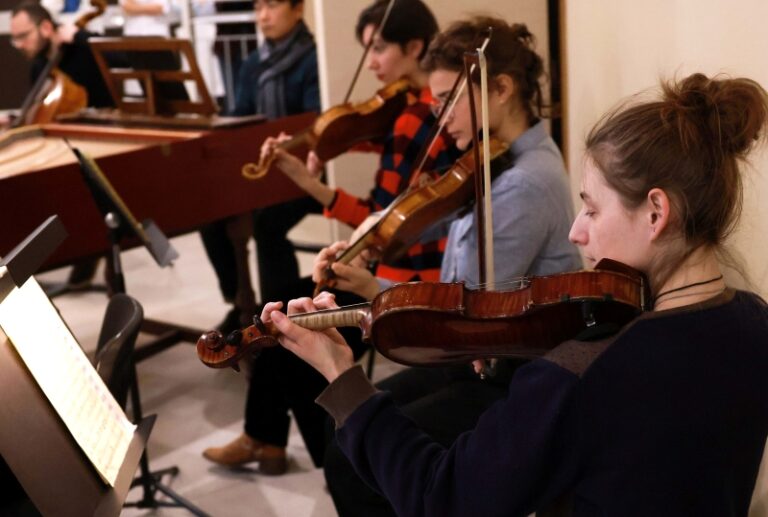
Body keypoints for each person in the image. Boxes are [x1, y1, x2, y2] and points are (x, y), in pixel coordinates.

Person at [264, 72, 768, 516]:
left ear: (656, 213)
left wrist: (341, 374)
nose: (576, 232)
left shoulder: (586, 371)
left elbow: (440, 496)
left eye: (591, 210)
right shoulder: (755, 322)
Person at [312, 18, 582, 516]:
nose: (439, 116)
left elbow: (465, 323)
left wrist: (375, 287)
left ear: (500, 88)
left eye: (448, 100)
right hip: (478, 363)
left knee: (352, 458)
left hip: (512, 377)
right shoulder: (491, 158)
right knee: (348, 437)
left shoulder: (524, 183)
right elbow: (429, 211)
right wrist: (364, 239)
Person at [201, 0, 459, 475]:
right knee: (283, 315)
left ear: (416, 47)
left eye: (379, 49)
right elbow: (379, 218)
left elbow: (378, 227)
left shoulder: (415, 121)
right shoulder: (420, 115)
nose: (374, 64)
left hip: (396, 279)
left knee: (283, 326)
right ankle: (272, 441)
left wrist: (312, 185)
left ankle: (320, 456)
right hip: (388, 268)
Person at [199, 0, 321, 334]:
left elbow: (315, 124)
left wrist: (284, 145)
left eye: (273, 6)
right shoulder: (252, 63)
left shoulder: (313, 57)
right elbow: (240, 117)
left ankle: (278, 319)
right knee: (209, 213)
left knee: (268, 224)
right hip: (261, 169)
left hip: (303, 173)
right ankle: (240, 302)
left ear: (298, 10)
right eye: (258, 7)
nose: (263, 16)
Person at [10, 1, 116, 295]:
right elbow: (40, 113)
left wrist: (83, 38)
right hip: (63, 146)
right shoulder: (40, 65)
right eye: (14, 38)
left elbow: (118, 62)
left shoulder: (81, 49)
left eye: (23, 36)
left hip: (100, 142)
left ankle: (95, 249)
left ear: (46, 27)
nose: (19, 44)